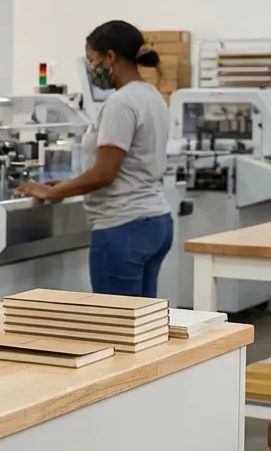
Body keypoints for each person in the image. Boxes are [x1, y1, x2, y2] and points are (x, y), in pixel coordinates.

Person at [16, 20, 171, 297]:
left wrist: (52, 192)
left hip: (123, 227)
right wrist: (67, 184)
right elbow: (123, 167)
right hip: (156, 222)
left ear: (110, 57)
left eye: (92, 59)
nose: (91, 68)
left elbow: (104, 173)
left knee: (117, 326)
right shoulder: (152, 96)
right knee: (145, 328)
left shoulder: (121, 103)